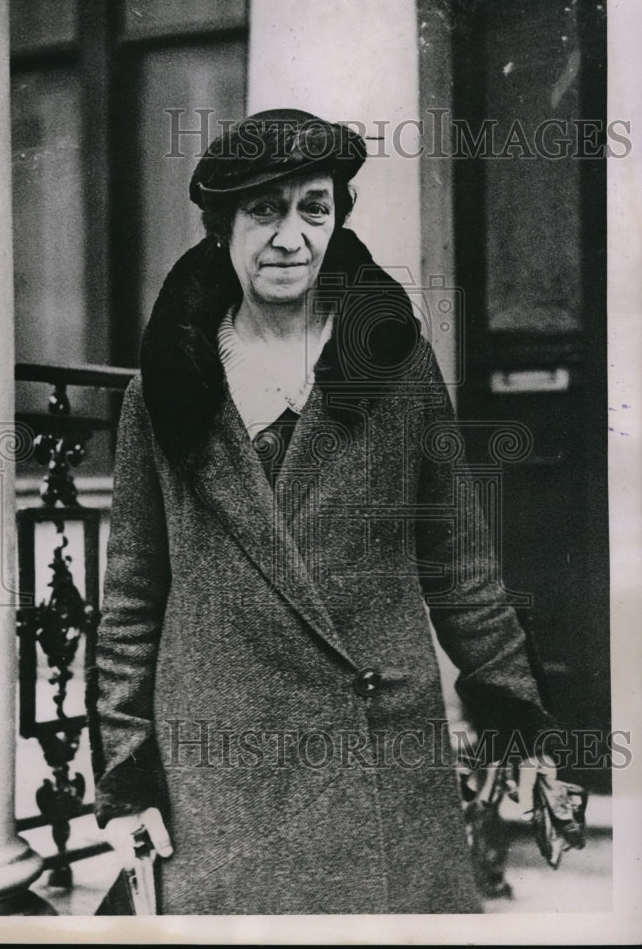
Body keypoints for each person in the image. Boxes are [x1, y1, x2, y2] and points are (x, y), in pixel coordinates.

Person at [90, 109, 558, 914]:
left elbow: (459, 563)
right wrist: (127, 774)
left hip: (379, 750)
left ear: (337, 217)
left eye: (313, 207)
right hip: (221, 768)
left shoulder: (395, 368)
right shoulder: (164, 392)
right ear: (222, 227)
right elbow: (133, 599)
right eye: (264, 210)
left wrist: (514, 713)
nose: (290, 237)